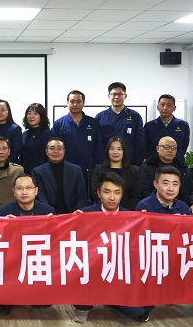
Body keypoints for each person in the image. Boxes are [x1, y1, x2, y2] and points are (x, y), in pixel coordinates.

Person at [73, 172, 151, 323]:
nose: (112, 197)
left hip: (119, 272)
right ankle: (84, 305)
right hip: (92, 270)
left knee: (140, 312)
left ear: (122, 194)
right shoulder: (85, 214)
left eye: (117, 192)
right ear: (98, 193)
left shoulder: (131, 217)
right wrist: (73, 223)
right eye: (107, 192)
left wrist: (144, 222)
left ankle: (113, 300)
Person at [0, 174, 55, 316]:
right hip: (12, 255)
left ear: (36, 191)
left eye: (28, 188)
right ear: (14, 192)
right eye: (20, 188)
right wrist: (4, 226)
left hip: (36, 255)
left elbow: (54, 240)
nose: (24, 192)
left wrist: (52, 225)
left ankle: (36, 295)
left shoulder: (47, 211)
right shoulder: (3, 211)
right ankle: (7, 300)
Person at [138, 136, 193, 215]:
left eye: (173, 148)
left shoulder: (183, 168)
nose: (170, 150)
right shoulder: (147, 167)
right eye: (166, 147)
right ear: (157, 149)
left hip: (181, 208)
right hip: (156, 209)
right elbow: (143, 191)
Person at [52, 90, 103, 183]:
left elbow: (98, 148)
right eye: (72, 101)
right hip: (65, 170)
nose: (75, 104)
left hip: (88, 170)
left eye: (78, 101)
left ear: (83, 103)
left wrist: (98, 168)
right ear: (67, 103)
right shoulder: (59, 123)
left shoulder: (93, 123)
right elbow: (53, 148)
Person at [31, 138, 89, 214]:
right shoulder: (38, 172)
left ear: (64, 151)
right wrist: (49, 212)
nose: (55, 151)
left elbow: (81, 195)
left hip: (72, 213)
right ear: (46, 152)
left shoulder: (76, 170)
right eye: (52, 148)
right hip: (49, 214)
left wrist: (77, 212)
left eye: (59, 148)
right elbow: (40, 196)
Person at [95, 82, 145, 165]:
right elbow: (97, 143)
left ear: (125, 96)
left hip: (129, 164)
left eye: (120, 94)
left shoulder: (135, 116)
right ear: (109, 96)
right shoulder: (100, 117)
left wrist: (137, 164)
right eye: (114, 94)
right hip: (106, 164)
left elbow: (140, 142)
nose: (116, 97)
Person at [91, 136, 142, 210]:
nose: (115, 152)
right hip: (103, 210)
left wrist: (121, 210)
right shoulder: (99, 170)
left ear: (124, 152)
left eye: (119, 149)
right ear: (107, 151)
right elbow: (95, 193)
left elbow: (136, 195)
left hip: (127, 211)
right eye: (112, 149)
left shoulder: (133, 171)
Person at [144, 94, 190, 160]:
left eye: (169, 105)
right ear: (157, 107)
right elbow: (146, 146)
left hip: (177, 163)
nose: (165, 108)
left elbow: (184, 146)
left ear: (174, 108)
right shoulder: (149, 126)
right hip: (154, 163)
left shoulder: (183, 125)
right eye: (162, 105)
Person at [21, 103, 54, 174]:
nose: (31, 116)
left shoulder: (48, 134)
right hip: (25, 173)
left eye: (35, 113)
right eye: (29, 113)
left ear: (41, 116)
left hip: (42, 173)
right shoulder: (24, 134)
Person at [0, 99, 22, 164]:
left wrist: (2, 165)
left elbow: (16, 151)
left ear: (8, 111)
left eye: (3, 110)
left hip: (11, 166)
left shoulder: (15, 129)